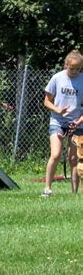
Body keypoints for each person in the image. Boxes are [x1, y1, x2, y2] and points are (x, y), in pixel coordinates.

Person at [42, 50, 83, 196]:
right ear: (66, 65)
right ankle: (47, 189)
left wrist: (79, 121)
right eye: (72, 68)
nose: (74, 71)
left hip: (77, 124)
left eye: (78, 69)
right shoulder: (57, 78)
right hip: (57, 121)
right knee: (56, 154)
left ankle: (74, 193)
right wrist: (58, 110)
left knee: (74, 159)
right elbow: (46, 101)